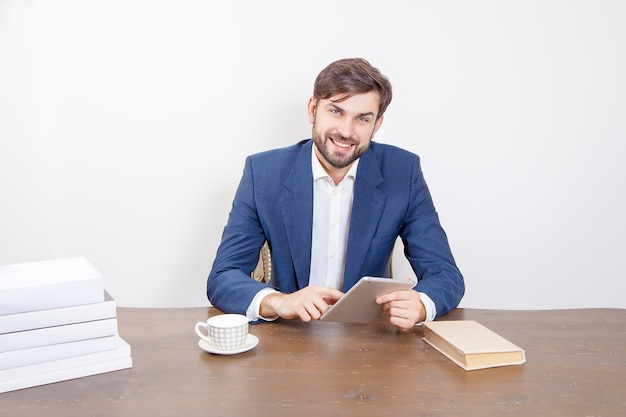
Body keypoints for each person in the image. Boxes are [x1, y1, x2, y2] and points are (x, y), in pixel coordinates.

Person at [207, 58, 464, 331]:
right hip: (288, 338)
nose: (346, 131)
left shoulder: (403, 172)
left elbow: (446, 274)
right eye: (336, 112)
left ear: (377, 125)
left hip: (367, 341)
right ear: (313, 109)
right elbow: (224, 277)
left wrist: (422, 303)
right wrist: (279, 301)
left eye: (362, 118)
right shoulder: (264, 173)